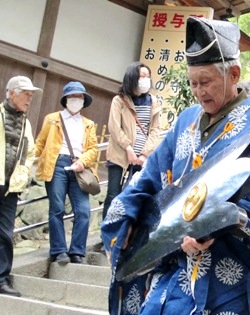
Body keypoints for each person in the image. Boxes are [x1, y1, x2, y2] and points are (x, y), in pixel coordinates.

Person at [101, 17, 250, 315]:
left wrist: (211, 226)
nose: (198, 91)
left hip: (229, 275)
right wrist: (126, 212)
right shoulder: (186, 120)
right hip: (175, 268)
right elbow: (150, 176)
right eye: (192, 83)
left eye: (205, 82)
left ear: (234, 73)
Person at [35, 81, 98, 264]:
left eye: (79, 97)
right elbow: (40, 143)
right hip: (56, 164)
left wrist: (82, 161)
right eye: (72, 97)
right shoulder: (52, 118)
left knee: (84, 210)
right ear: (65, 99)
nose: (75, 100)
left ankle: (77, 251)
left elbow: (93, 149)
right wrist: (30, 159)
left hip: (79, 168)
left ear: (83, 100)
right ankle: (58, 250)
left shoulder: (88, 124)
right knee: (57, 208)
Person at [102, 62, 161, 221]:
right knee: (113, 195)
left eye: (148, 77)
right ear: (132, 78)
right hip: (119, 155)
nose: (146, 80)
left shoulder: (153, 101)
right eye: (142, 76)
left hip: (141, 159)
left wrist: (144, 154)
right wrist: (128, 148)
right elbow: (114, 127)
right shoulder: (119, 100)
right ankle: (107, 234)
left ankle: (124, 235)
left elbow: (155, 130)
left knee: (132, 196)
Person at [0, 76, 41, 297]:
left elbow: (30, 152)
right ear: (12, 93)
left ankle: (1, 279)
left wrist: (23, 176)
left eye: (31, 94)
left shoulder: (26, 123)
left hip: (11, 187)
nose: (30, 97)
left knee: (6, 234)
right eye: (26, 93)